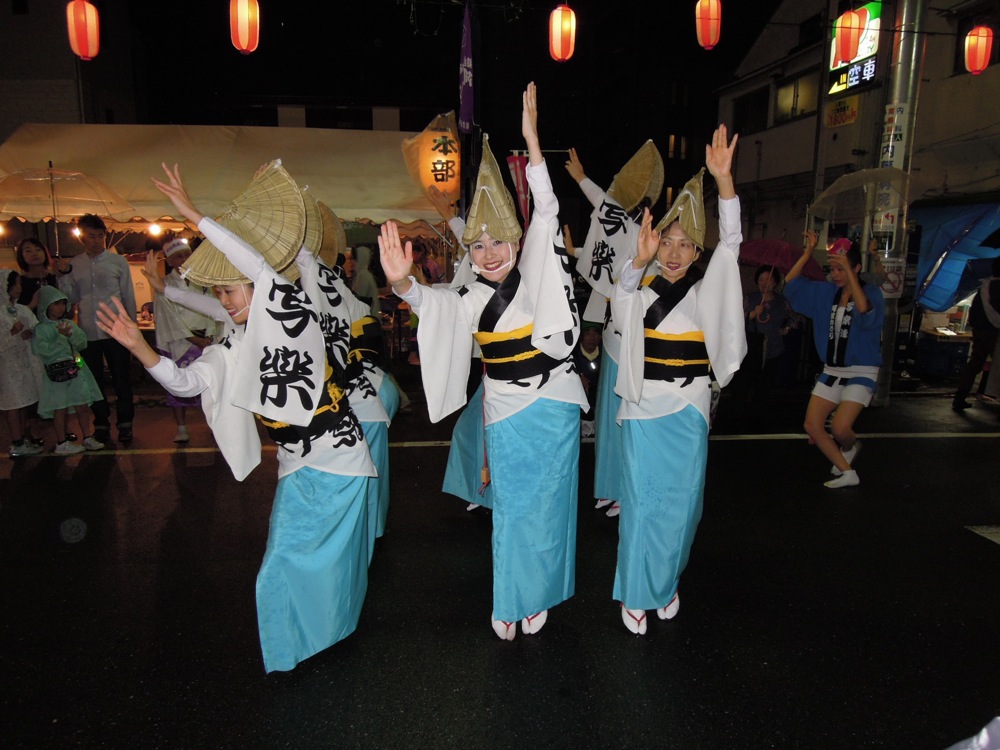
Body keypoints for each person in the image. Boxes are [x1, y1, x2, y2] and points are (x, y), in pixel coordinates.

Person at [97, 162, 376, 673]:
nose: (223, 301)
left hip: (340, 453)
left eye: (230, 291)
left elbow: (256, 265)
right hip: (296, 463)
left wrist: (195, 217)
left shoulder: (292, 312)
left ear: (257, 287)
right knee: (289, 559)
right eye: (219, 294)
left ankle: (321, 635)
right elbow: (186, 383)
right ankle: (303, 642)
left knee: (316, 558)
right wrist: (141, 349)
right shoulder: (230, 347)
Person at [379, 83, 587, 640]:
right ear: (467, 253)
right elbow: (433, 304)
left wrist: (534, 146)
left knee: (550, 505)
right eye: (478, 246)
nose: (489, 253)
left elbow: (547, 208)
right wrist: (404, 285)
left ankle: (537, 591)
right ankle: (512, 595)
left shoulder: (540, 270)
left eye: (499, 241)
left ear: (518, 243)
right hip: (507, 408)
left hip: (556, 405)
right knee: (515, 509)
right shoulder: (471, 296)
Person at [611, 125, 745, 635]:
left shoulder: (707, 292)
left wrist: (724, 182)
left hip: (689, 411)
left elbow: (732, 243)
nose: (673, 252)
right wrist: (636, 263)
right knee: (644, 506)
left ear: (696, 252)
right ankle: (637, 592)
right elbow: (622, 296)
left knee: (683, 507)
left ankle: (665, 582)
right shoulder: (639, 292)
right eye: (667, 241)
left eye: (685, 244)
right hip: (645, 412)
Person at [564, 142, 663, 518]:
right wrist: (576, 252)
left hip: (631, 345)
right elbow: (610, 244)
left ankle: (625, 488)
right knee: (607, 420)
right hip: (610, 339)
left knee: (625, 418)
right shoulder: (632, 236)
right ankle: (609, 485)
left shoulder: (647, 240)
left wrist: (582, 180)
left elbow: (607, 212)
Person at [785, 232, 885, 489]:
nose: (836, 274)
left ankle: (849, 446)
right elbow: (790, 283)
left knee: (840, 428)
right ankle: (848, 471)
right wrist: (808, 253)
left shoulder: (871, 293)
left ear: (857, 268)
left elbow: (864, 312)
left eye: (842, 269)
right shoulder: (825, 293)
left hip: (862, 370)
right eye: (833, 269)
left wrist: (853, 278)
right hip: (831, 369)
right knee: (812, 425)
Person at [56, 214, 137, 444]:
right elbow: (70, 298)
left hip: (115, 329)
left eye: (100, 236)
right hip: (87, 332)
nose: (96, 241)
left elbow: (128, 295)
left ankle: (125, 422)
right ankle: (100, 422)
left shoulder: (117, 262)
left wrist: (132, 327)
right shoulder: (75, 264)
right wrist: (62, 276)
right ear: (82, 237)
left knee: (122, 377)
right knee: (93, 380)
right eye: (91, 236)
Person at [145, 239, 216, 442]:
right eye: (179, 256)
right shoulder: (164, 284)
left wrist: (210, 336)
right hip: (181, 341)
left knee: (210, 385)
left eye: (187, 254)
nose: (184, 259)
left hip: (207, 338)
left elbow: (214, 309)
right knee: (177, 383)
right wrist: (194, 339)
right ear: (170, 261)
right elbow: (168, 317)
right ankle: (182, 427)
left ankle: (213, 423)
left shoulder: (203, 281)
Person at [30, 285, 105, 454]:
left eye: (63, 304)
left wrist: (70, 335)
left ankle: (87, 437)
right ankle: (61, 441)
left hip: (76, 369)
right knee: (60, 407)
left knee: (82, 403)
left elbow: (82, 343)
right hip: (56, 374)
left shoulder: (69, 324)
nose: (60, 308)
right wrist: (60, 338)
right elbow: (43, 351)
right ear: (46, 306)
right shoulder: (41, 329)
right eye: (56, 304)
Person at [1, 271, 43, 457]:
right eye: (14, 284)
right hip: (7, 365)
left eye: (19, 284)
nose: (18, 288)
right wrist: (12, 333)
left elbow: (35, 328)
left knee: (23, 400)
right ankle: (16, 442)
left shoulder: (20, 309)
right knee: (12, 403)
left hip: (24, 362)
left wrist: (30, 333)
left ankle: (23, 437)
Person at [741, 264, 795, 407]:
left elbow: (793, 318)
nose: (764, 283)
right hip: (751, 347)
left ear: (775, 282)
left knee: (765, 384)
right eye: (761, 280)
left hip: (773, 347)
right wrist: (753, 313)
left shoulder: (782, 301)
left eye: (768, 280)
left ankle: (760, 411)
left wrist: (787, 328)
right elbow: (736, 320)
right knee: (744, 383)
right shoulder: (750, 298)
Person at [952, 257, 1000, 411]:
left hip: (980, 330)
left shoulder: (984, 285)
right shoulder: (998, 287)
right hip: (994, 332)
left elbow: (974, 312)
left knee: (975, 364)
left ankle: (960, 397)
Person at [15, 238, 59, 314]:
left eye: (38, 249)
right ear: (21, 255)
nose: (34, 254)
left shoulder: (55, 278)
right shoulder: (18, 282)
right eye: (28, 251)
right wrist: (32, 304)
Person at [574, 321, 602, 436]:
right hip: (580, 410)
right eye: (587, 334)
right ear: (581, 336)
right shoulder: (572, 356)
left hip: (600, 407)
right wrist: (576, 379)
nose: (592, 338)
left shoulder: (607, 355)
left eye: (595, 334)